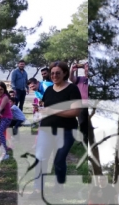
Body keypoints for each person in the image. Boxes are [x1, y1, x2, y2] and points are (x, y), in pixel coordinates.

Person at [33, 62, 82, 193]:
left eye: (58, 73)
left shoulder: (72, 89)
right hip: (46, 129)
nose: (54, 75)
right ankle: (38, 189)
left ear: (65, 73)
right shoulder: (48, 90)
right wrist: (40, 110)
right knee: (41, 158)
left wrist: (53, 111)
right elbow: (46, 106)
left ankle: (59, 186)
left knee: (59, 160)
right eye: (52, 73)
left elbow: (76, 112)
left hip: (66, 131)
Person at [0, 81, 14, 160]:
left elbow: (0, 108)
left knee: (0, 131)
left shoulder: (5, 97)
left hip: (7, 117)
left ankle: (5, 153)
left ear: (4, 90)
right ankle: (0, 147)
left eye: (1, 89)